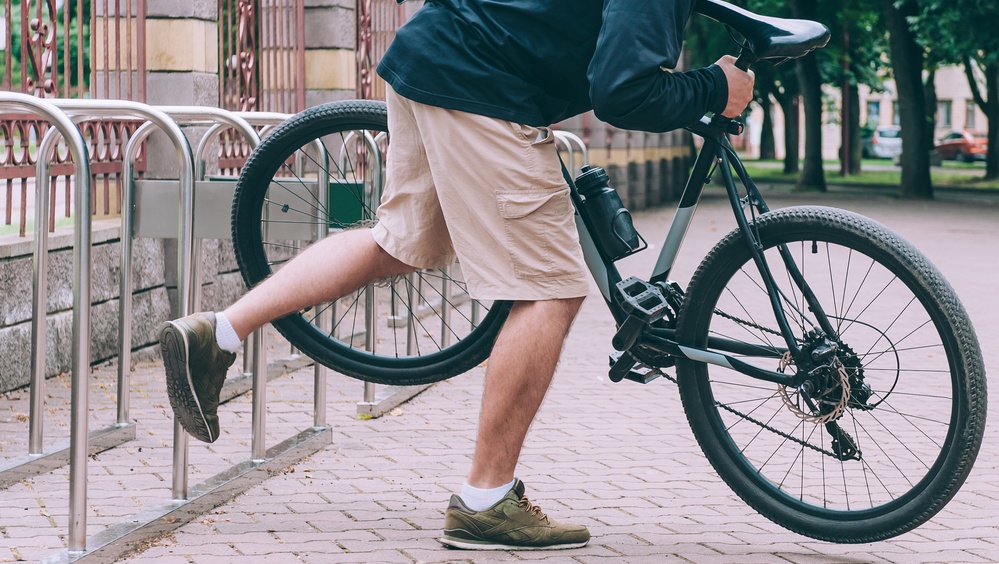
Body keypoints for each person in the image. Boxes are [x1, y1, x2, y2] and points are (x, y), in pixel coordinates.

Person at [159, 0, 754, 551]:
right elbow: (622, 90)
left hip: (434, 56)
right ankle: (485, 500)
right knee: (550, 289)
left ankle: (218, 333)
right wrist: (714, 87)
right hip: (484, 90)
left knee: (398, 244)